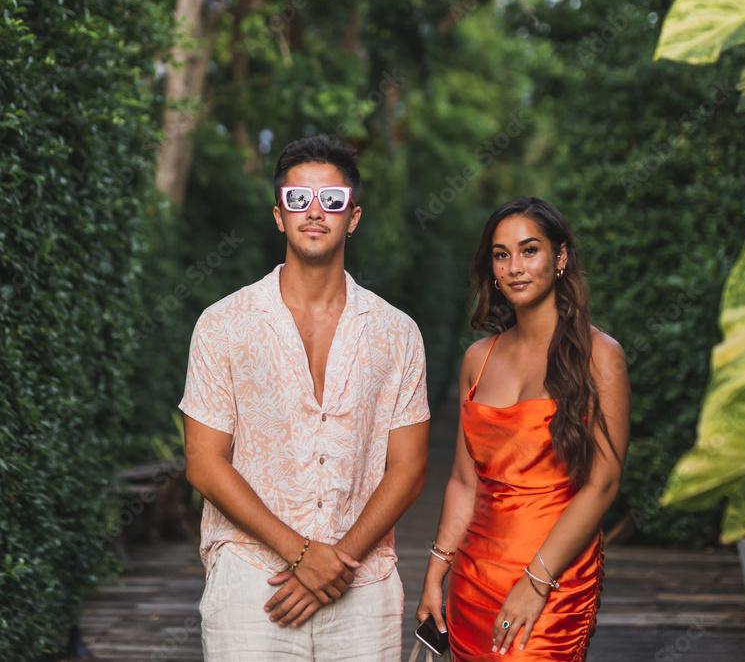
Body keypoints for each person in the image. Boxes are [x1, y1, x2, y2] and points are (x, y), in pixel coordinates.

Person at [180, 136, 431, 661]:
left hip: (362, 585)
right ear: (278, 215)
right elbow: (204, 463)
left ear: (353, 216)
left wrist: (337, 560)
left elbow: (408, 468)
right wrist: (301, 554)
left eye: (332, 201)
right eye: (298, 200)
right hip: (251, 582)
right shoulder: (223, 324)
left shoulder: (397, 332)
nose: (315, 212)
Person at [415, 197, 630, 660]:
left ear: (561, 258)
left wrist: (536, 582)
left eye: (529, 250)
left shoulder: (601, 356)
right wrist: (435, 575)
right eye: (501, 254)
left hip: (553, 580)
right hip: (472, 581)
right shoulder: (479, 358)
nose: (514, 266)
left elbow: (603, 483)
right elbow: (463, 480)